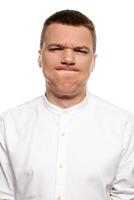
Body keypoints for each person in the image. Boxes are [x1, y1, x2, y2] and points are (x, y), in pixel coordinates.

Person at [0, 9, 134, 200]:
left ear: (93, 61)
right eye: (56, 48)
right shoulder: (8, 124)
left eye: (80, 50)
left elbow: (126, 196)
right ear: (40, 57)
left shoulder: (124, 126)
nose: (68, 59)